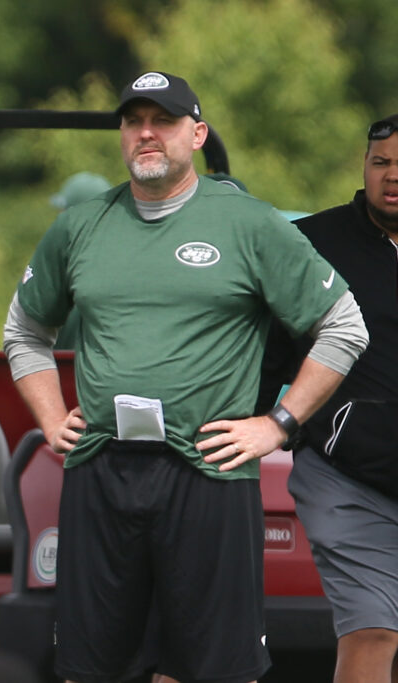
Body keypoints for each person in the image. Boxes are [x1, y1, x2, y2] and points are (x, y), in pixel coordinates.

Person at [3, 70, 369, 683]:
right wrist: (47, 415)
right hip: (100, 467)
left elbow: (344, 327)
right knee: (90, 666)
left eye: (164, 121)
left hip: (208, 470)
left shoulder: (248, 223)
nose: (147, 134)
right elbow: (23, 333)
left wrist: (278, 424)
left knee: (213, 668)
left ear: (196, 134)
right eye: (133, 121)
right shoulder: (79, 227)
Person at [261, 115, 398, 683]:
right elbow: (265, 354)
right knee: (373, 630)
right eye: (381, 163)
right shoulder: (314, 243)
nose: (392, 177)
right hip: (344, 475)